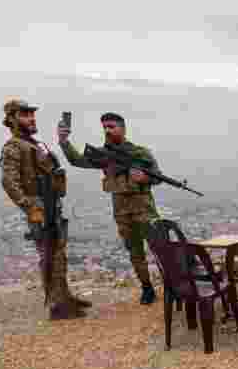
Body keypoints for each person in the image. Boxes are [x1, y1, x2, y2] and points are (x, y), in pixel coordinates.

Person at [57, 113, 161, 305]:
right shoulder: (103, 155)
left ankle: (173, 284)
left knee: (160, 248)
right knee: (134, 251)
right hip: (122, 211)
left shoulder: (140, 153)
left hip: (144, 208)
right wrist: (64, 142)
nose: (107, 130)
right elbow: (77, 160)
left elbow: (158, 177)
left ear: (122, 128)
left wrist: (145, 179)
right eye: (104, 126)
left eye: (111, 126)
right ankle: (147, 288)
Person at [0, 99, 89, 320]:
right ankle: (56, 306)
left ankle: (64, 296)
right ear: (12, 119)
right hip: (40, 208)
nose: (31, 118)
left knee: (59, 255)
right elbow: (9, 182)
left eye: (32, 114)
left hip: (51, 204)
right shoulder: (13, 147)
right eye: (25, 114)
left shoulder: (33, 143)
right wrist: (30, 206)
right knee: (49, 255)